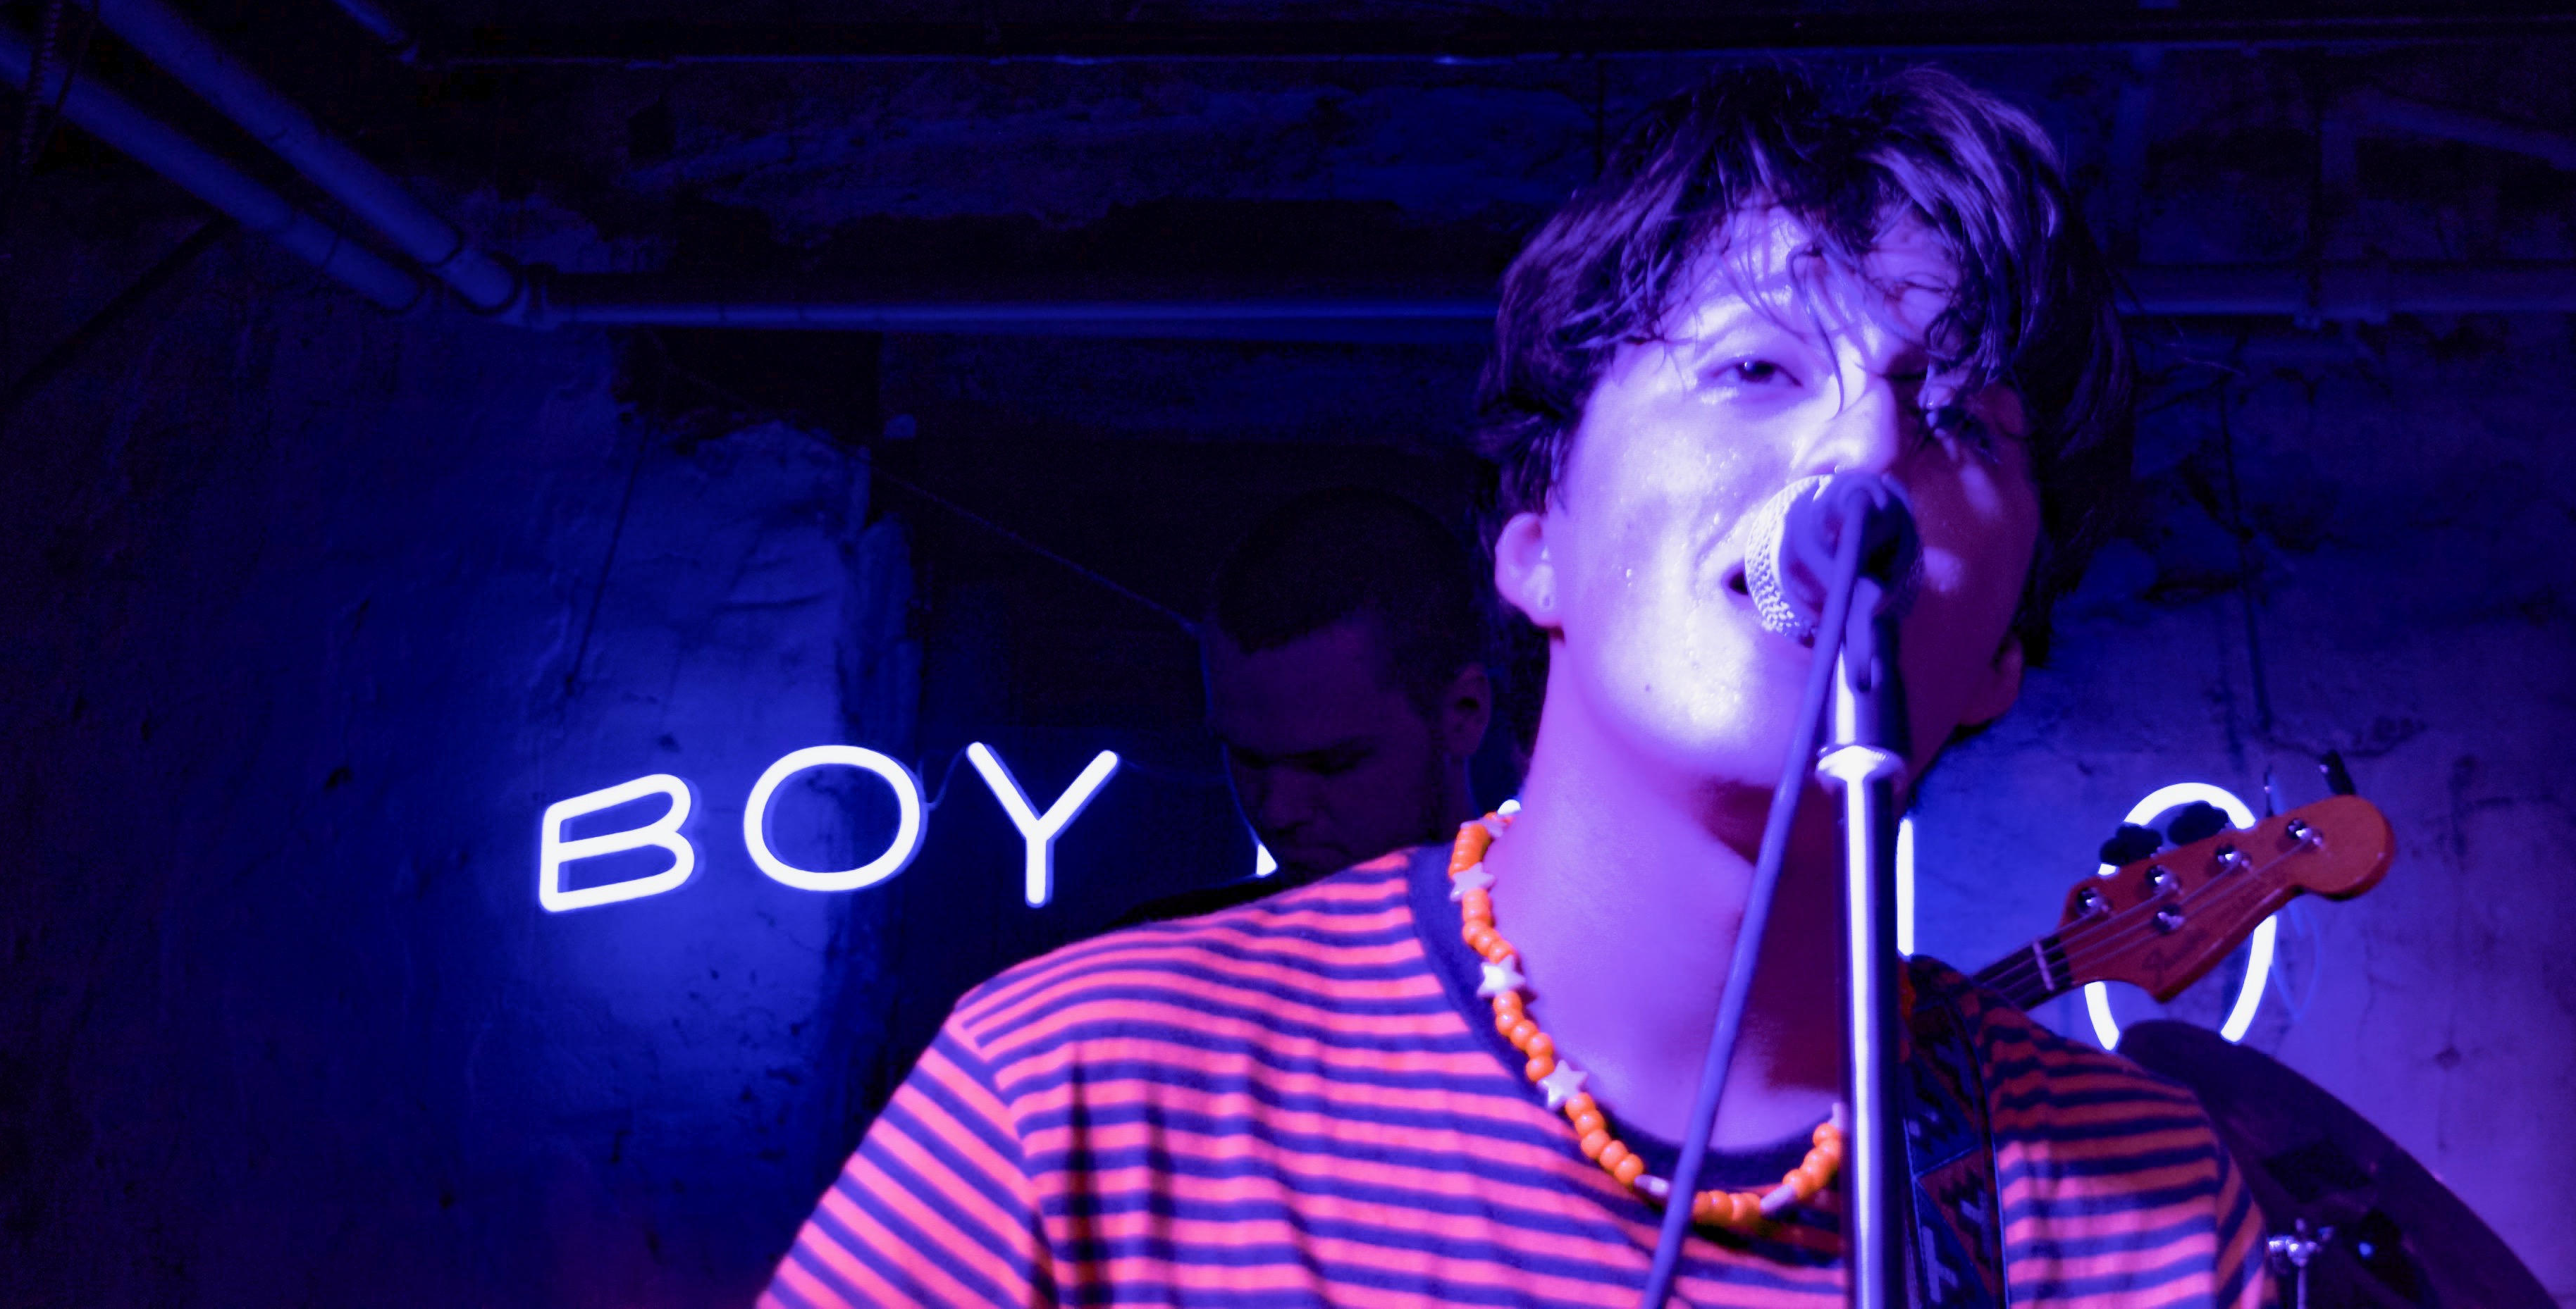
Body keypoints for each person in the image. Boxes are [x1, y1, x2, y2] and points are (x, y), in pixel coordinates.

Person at [760, 66, 2269, 1307]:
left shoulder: (2138, 1217)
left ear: (2005, 648)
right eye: (1753, 370)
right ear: (1537, 544)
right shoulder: (1075, 1097)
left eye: (1956, 420)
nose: (1863, 454)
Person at [1118, 486, 1497, 924]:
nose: (1278, 811)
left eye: (1330, 764)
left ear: (1465, 713)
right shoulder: (1153, 952)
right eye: (1247, 758)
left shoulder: (1561, 951)